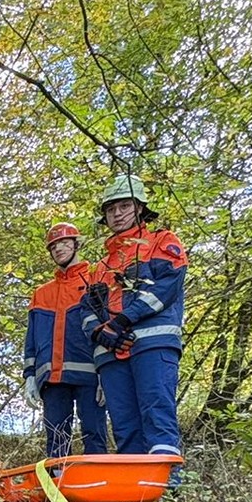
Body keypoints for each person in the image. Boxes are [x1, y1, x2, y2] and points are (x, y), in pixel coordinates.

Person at [81, 175, 187, 457]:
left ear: (139, 207)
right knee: (124, 423)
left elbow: (167, 287)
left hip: (152, 344)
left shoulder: (161, 242)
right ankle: (135, 493)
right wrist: (100, 332)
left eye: (124, 206)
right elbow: (85, 308)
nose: (117, 214)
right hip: (111, 353)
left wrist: (123, 320)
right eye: (111, 209)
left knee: (157, 410)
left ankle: (166, 486)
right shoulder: (100, 266)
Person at [22, 223, 109, 456]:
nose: (58, 248)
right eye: (53, 246)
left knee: (94, 432)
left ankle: (97, 487)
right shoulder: (41, 293)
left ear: (76, 244)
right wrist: (29, 376)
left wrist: (107, 370)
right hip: (52, 378)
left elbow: (107, 325)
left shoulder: (95, 279)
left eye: (64, 242)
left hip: (90, 373)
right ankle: (58, 488)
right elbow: (31, 339)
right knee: (56, 439)